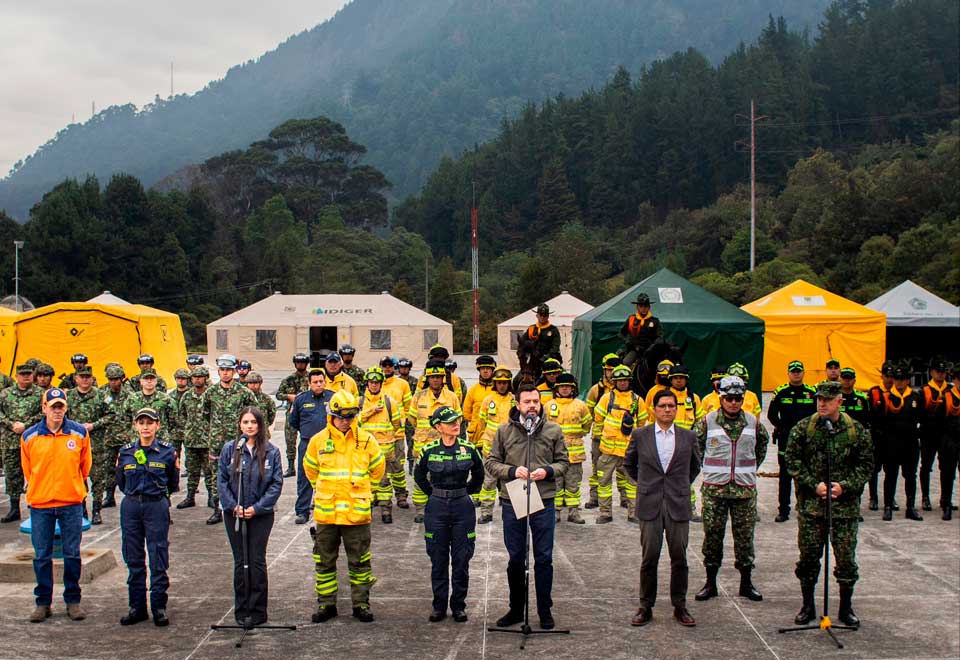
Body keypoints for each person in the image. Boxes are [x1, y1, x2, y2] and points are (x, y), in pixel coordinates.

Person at [785, 381, 872, 628]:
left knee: (845, 559)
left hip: (844, 509)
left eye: (827, 400)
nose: (822, 403)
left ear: (839, 402)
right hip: (812, 507)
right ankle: (808, 605)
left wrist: (845, 485)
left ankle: (846, 607)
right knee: (809, 558)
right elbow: (792, 461)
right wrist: (814, 484)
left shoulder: (855, 430)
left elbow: (865, 465)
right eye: (819, 399)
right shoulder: (804, 428)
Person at [484, 383, 569, 631]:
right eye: (527, 401)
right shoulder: (504, 431)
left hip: (544, 499)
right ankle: (516, 609)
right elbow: (490, 461)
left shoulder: (553, 430)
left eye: (536, 401)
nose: (532, 405)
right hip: (514, 499)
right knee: (516, 558)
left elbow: (564, 461)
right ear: (518, 404)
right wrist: (511, 471)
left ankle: (544, 610)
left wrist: (550, 471)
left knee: (543, 557)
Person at [303, 390, 385, 623]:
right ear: (331, 416)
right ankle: (326, 605)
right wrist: (326, 489)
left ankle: (361, 604)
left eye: (349, 417)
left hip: (356, 516)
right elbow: (311, 470)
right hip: (327, 516)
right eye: (340, 417)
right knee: (324, 561)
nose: (345, 421)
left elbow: (378, 470)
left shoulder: (367, 440)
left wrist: (363, 492)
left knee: (360, 562)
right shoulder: (318, 440)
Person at [623, 389, 700, 628]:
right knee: (649, 558)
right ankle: (645, 606)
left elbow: (694, 467)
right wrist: (647, 485)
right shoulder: (640, 435)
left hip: (678, 504)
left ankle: (680, 605)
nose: (668, 409)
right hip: (650, 504)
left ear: (677, 409)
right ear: (654, 409)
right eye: (663, 406)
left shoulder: (688, 437)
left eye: (672, 406)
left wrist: (677, 486)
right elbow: (629, 464)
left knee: (680, 558)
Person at [692, 376, 768, 603]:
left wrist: (749, 468)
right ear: (721, 398)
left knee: (745, 540)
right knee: (712, 538)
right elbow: (696, 449)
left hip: (744, 492)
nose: (733, 403)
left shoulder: (753, 423)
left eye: (738, 398)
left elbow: (761, 447)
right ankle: (710, 582)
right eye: (729, 398)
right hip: (716, 491)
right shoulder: (707, 421)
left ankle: (746, 583)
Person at [21, 388, 92, 623]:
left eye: (61, 406)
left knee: (72, 554)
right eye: (53, 407)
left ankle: (73, 600)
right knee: (42, 556)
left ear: (66, 408)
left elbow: (85, 466)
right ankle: (43, 603)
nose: (57, 411)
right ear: (44, 408)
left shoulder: (79, 433)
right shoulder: (30, 437)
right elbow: (28, 470)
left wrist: (71, 487)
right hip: (41, 505)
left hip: (70, 503)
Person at [414, 406, 483, 622]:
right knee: (438, 558)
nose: (456, 425)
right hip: (437, 508)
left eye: (458, 421)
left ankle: (459, 606)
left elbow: (479, 475)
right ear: (438, 427)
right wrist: (435, 494)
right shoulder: (428, 451)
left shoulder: (469, 449)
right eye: (450, 422)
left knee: (462, 559)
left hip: (462, 506)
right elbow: (420, 476)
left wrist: (465, 493)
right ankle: (439, 606)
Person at [217, 406, 283, 626]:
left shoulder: (271, 451)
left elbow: (275, 484)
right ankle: (242, 609)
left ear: (260, 425)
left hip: (260, 515)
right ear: (239, 425)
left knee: (256, 561)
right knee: (240, 561)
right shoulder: (230, 449)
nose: (249, 426)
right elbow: (222, 482)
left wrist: (257, 508)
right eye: (245, 422)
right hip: (234, 514)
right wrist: (233, 506)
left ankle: (257, 610)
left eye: (253, 422)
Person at [116, 407, 179, 626]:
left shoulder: (167, 452)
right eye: (141, 422)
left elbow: (173, 482)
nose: (145, 427)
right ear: (135, 425)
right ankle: (137, 607)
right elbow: (121, 482)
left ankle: (159, 606)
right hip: (132, 506)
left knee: (158, 555)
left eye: (149, 423)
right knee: (133, 557)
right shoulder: (125, 452)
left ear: (157, 425)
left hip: (156, 505)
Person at [202, 354, 256, 524]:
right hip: (217, 443)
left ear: (234, 371)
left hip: (238, 442)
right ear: (218, 371)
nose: (225, 373)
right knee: (217, 476)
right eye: (222, 370)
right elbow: (205, 416)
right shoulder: (210, 393)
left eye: (228, 370)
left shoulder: (244, 393)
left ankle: (242, 506)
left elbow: (255, 415)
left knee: (241, 473)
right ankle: (218, 509)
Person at [407, 360, 462, 522]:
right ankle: (420, 510)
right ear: (427, 379)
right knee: (420, 480)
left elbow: (458, 420)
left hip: (445, 447)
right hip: (423, 447)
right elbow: (412, 419)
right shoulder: (418, 397)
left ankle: (444, 508)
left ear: (443, 378)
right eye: (432, 377)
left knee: (445, 479)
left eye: (438, 377)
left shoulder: (451, 397)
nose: (435, 380)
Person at [593, 365, 647, 523]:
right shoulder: (606, 399)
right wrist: (598, 441)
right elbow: (598, 420)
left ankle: (634, 513)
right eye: (619, 380)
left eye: (625, 380)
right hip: (609, 450)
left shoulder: (637, 400)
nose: (622, 383)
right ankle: (605, 513)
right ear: (614, 382)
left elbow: (642, 424)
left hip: (630, 451)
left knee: (633, 484)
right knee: (604, 483)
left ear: (629, 381)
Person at [767, 360, 817, 522]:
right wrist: (781, 427)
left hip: (806, 442)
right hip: (786, 440)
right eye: (793, 371)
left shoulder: (811, 392)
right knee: (785, 477)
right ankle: (784, 510)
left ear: (803, 373)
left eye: (799, 371)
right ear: (788, 373)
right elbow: (772, 415)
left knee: (806, 476)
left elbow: (818, 414)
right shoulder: (781, 392)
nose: (796, 373)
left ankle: (806, 508)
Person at [66, 366, 112, 525]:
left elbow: (111, 415)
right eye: (82, 377)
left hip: (96, 444)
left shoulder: (101, 395)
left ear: (92, 378)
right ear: (76, 379)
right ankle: (82, 509)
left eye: (88, 377)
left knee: (98, 479)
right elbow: (61, 417)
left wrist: (94, 425)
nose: (85, 380)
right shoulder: (69, 397)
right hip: (74, 445)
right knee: (78, 478)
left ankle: (97, 510)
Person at [288, 368, 334, 525]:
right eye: (315, 382)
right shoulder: (301, 399)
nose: (319, 384)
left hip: (329, 443)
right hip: (307, 444)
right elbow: (293, 421)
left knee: (330, 476)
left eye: (321, 381)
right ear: (309, 384)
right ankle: (302, 511)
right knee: (304, 477)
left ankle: (330, 509)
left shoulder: (333, 397)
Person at [880, 364, 924, 521]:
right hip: (891, 443)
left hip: (910, 444)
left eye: (903, 379)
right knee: (891, 475)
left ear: (908, 380)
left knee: (911, 476)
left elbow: (922, 419)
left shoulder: (915, 398)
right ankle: (887, 507)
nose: (899, 382)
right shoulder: (886, 397)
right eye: (897, 379)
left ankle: (910, 507)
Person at [358, 367, 403, 523]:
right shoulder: (360, 403)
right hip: (364, 452)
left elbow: (397, 425)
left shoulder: (390, 403)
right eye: (371, 382)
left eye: (377, 382)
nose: (374, 385)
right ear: (367, 383)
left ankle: (386, 509)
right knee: (365, 482)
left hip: (384, 452)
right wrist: (370, 411)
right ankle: (367, 510)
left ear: (381, 384)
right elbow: (353, 423)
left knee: (384, 482)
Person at [0, 364, 44, 523]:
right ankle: (14, 508)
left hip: (33, 440)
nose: (26, 377)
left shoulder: (40, 394)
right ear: (17, 376)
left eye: (28, 374)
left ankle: (36, 505)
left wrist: (26, 425)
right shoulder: (5, 394)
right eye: (22, 374)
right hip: (10, 440)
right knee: (12, 474)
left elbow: (44, 412)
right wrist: (11, 424)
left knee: (36, 473)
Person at [546, 372, 591, 524]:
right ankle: (556, 512)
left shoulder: (581, 406)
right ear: (557, 388)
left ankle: (573, 512)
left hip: (575, 453)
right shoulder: (548, 406)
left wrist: (575, 437)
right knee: (556, 484)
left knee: (573, 484)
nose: (565, 389)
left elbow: (586, 426)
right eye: (562, 387)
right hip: (554, 454)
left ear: (573, 389)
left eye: (568, 387)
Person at [473, 366, 515, 523]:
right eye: (499, 382)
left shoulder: (514, 401)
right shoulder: (488, 400)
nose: (502, 385)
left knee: (511, 481)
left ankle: (513, 512)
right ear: (495, 384)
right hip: (490, 448)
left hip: (510, 449)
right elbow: (481, 423)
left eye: (505, 382)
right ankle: (486, 512)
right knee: (489, 481)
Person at [584, 353, 620, 509]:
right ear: (604, 371)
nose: (611, 374)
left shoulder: (626, 392)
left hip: (620, 438)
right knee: (596, 468)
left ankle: (625, 498)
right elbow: (588, 412)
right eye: (609, 370)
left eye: (614, 370)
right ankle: (594, 497)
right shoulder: (596, 390)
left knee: (623, 470)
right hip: (599, 438)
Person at [176, 366, 213, 510]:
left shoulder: (210, 394)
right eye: (194, 377)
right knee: (192, 471)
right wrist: (188, 430)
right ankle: (190, 497)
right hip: (191, 440)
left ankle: (212, 497)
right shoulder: (186, 396)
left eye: (200, 376)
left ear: (205, 378)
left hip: (207, 440)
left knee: (209, 472)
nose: (197, 379)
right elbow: (182, 415)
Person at [920, 358, 952, 512]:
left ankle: (945, 498)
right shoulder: (924, 390)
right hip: (928, 434)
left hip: (945, 435)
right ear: (931, 372)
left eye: (943, 372)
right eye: (937, 371)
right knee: (926, 466)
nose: (940, 374)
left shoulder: (950, 390)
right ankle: (925, 497)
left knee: (946, 467)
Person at [379, 357, 412, 508]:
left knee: (398, 467)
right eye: (384, 365)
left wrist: (402, 423)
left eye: (389, 365)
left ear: (394, 367)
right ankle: (378, 496)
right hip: (378, 436)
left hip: (397, 435)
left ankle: (400, 495)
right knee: (379, 468)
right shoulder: (375, 384)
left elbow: (408, 407)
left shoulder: (402, 384)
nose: (387, 368)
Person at [99, 364, 132, 511]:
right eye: (111, 379)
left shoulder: (130, 395)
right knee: (108, 468)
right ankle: (109, 496)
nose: (113, 382)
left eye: (116, 379)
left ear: (121, 379)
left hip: (126, 438)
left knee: (129, 468)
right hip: (108, 437)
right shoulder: (101, 393)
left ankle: (130, 494)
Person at [866, 362, 895, 512]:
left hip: (893, 438)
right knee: (874, 469)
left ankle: (890, 498)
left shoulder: (899, 393)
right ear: (882, 376)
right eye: (886, 376)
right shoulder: (874, 392)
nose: (889, 379)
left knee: (891, 470)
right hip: (877, 437)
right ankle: (873, 497)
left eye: (892, 376)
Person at [276, 353, 311, 477]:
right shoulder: (289, 379)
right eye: (298, 362)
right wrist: (289, 397)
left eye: (302, 362)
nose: (300, 365)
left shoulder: (311, 378)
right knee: (290, 440)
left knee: (308, 441)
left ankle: (308, 466)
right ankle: (291, 467)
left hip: (307, 414)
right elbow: (278, 394)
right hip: (292, 413)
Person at [619, 293, 662, 368]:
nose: (643, 308)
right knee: (625, 364)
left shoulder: (655, 321)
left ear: (649, 307)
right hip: (635, 349)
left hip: (650, 350)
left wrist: (653, 346)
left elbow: (659, 336)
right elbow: (621, 333)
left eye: (645, 306)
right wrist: (627, 341)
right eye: (641, 306)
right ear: (637, 307)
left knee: (662, 366)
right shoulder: (631, 319)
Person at [939, 367, 960, 520]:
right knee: (948, 473)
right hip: (950, 439)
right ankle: (946, 504)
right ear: (954, 380)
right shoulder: (946, 397)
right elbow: (938, 422)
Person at [463, 355, 496, 441]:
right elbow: (466, 413)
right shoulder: (473, 390)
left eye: (488, 368)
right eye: (482, 368)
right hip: (475, 434)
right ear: (479, 370)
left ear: (492, 370)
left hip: (493, 433)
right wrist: (476, 423)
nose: (485, 371)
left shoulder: (498, 390)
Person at [521, 304, 562, 368]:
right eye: (541, 315)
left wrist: (547, 356)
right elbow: (522, 341)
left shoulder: (553, 330)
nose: (542, 317)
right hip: (533, 359)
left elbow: (556, 346)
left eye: (545, 315)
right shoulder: (531, 328)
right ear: (537, 316)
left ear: (548, 316)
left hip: (550, 359)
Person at [243, 371, 277, 439]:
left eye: (255, 382)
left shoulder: (267, 399)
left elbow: (271, 415)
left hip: (262, 433)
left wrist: (264, 424)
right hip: (246, 433)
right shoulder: (242, 398)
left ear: (260, 383)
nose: (253, 385)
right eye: (250, 383)